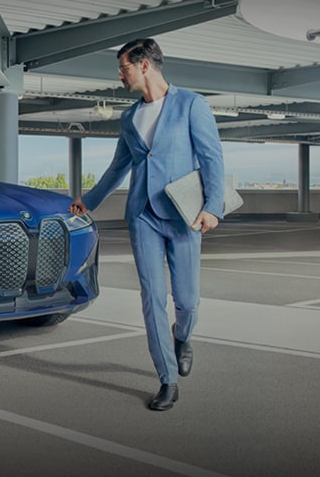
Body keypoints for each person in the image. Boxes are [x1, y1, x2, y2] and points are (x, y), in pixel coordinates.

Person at [69, 38, 225, 411]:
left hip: (184, 216)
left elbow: (212, 157)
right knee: (152, 298)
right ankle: (167, 380)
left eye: (122, 68)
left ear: (143, 66)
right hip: (142, 217)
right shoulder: (128, 118)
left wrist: (213, 207)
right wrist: (87, 200)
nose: (119, 76)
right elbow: (118, 167)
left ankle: (182, 336)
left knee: (187, 301)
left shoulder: (191, 104)